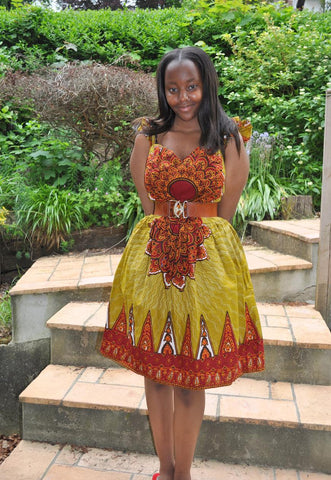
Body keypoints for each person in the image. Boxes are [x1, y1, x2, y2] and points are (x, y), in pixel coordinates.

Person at [100, 46, 265, 480]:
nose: (183, 97)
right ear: (164, 90)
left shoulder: (228, 136)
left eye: (191, 86)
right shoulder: (147, 135)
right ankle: (165, 470)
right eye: (173, 89)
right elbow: (148, 200)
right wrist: (169, 226)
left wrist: (197, 235)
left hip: (205, 266)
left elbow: (225, 211)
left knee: (191, 378)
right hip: (151, 261)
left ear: (206, 84)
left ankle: (184, 476)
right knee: (155, 375)